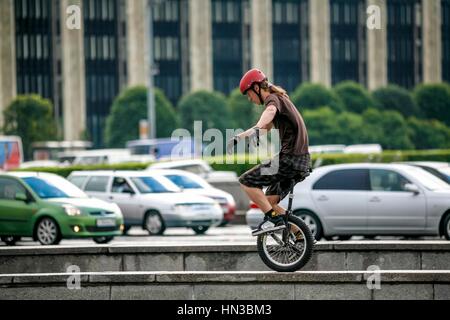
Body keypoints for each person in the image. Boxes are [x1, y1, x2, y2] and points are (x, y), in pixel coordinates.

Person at [227, 68, 312, 236]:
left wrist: (257, 128)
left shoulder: (274, 100)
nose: (250, 99)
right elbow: (265, 126)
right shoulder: (282, 100)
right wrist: (240, 137)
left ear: (257, 88)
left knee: (246, 181)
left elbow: (269, 113)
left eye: (249, 94)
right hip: (301, 162)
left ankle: (273, 219)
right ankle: (300, 235)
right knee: (270, 201)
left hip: (289, 159)